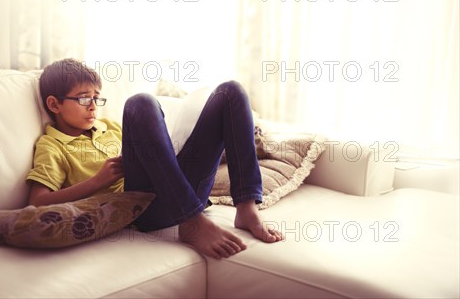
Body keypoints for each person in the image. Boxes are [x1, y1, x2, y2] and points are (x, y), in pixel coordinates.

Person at [26, 59, 283, 259]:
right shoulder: (52, 145)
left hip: (176, 189)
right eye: (84, 98)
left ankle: (246, 208)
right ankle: (192, 222)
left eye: (96, 97)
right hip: (139, 209)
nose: (93, 105)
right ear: (54, 104)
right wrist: (98, 181)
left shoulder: (109, 128)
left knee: (231, 91)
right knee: (139, 103)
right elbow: (37, 202)